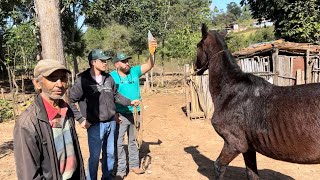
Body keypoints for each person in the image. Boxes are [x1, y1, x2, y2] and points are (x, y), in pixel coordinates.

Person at [69, 49, 139, 180]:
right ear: (93, 62)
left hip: (111, 122)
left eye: (106, 60)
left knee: (110, 154)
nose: (105, 63)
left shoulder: (108, 78)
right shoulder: (83, 80)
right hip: (94, 125)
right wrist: (81, 119)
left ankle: (107, 177)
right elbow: (71, 100)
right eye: (102, 61)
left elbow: (116, 95)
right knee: (95, 157)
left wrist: (130, 102)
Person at [13, 59, 86, 180]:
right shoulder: (27, 123)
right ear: (37, 83)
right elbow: (29, 175)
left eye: (63, 78)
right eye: (52, 78)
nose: (59, 84)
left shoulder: (66, 110)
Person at [110, 38, 157, 179]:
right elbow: (109, 97)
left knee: (134, 140)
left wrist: (152, 52)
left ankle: (135, 165)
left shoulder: (134, 72)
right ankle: (121, 169)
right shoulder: (111, 77)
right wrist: (113, 114)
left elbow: (150, 64)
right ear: (116, 64)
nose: (127, 63)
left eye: (127, 61)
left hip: (136, 113)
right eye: (124, 61)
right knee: (118, 143)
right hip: (120, 114)